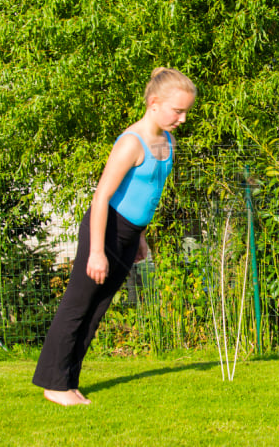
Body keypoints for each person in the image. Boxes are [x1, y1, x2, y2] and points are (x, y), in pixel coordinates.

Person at [32, 67, 197, 406]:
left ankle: (67, 383)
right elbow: (101, 197)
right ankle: (52, 384)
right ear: (154, 103)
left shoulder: (167, 140)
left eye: (185, 112)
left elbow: (147, 192)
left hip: (128, 233)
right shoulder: (130, 143)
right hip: (104, 230)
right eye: (177, 110)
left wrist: (140, 237)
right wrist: (96, 251)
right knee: (77, 307)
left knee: (97, 310)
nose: (182, 118)